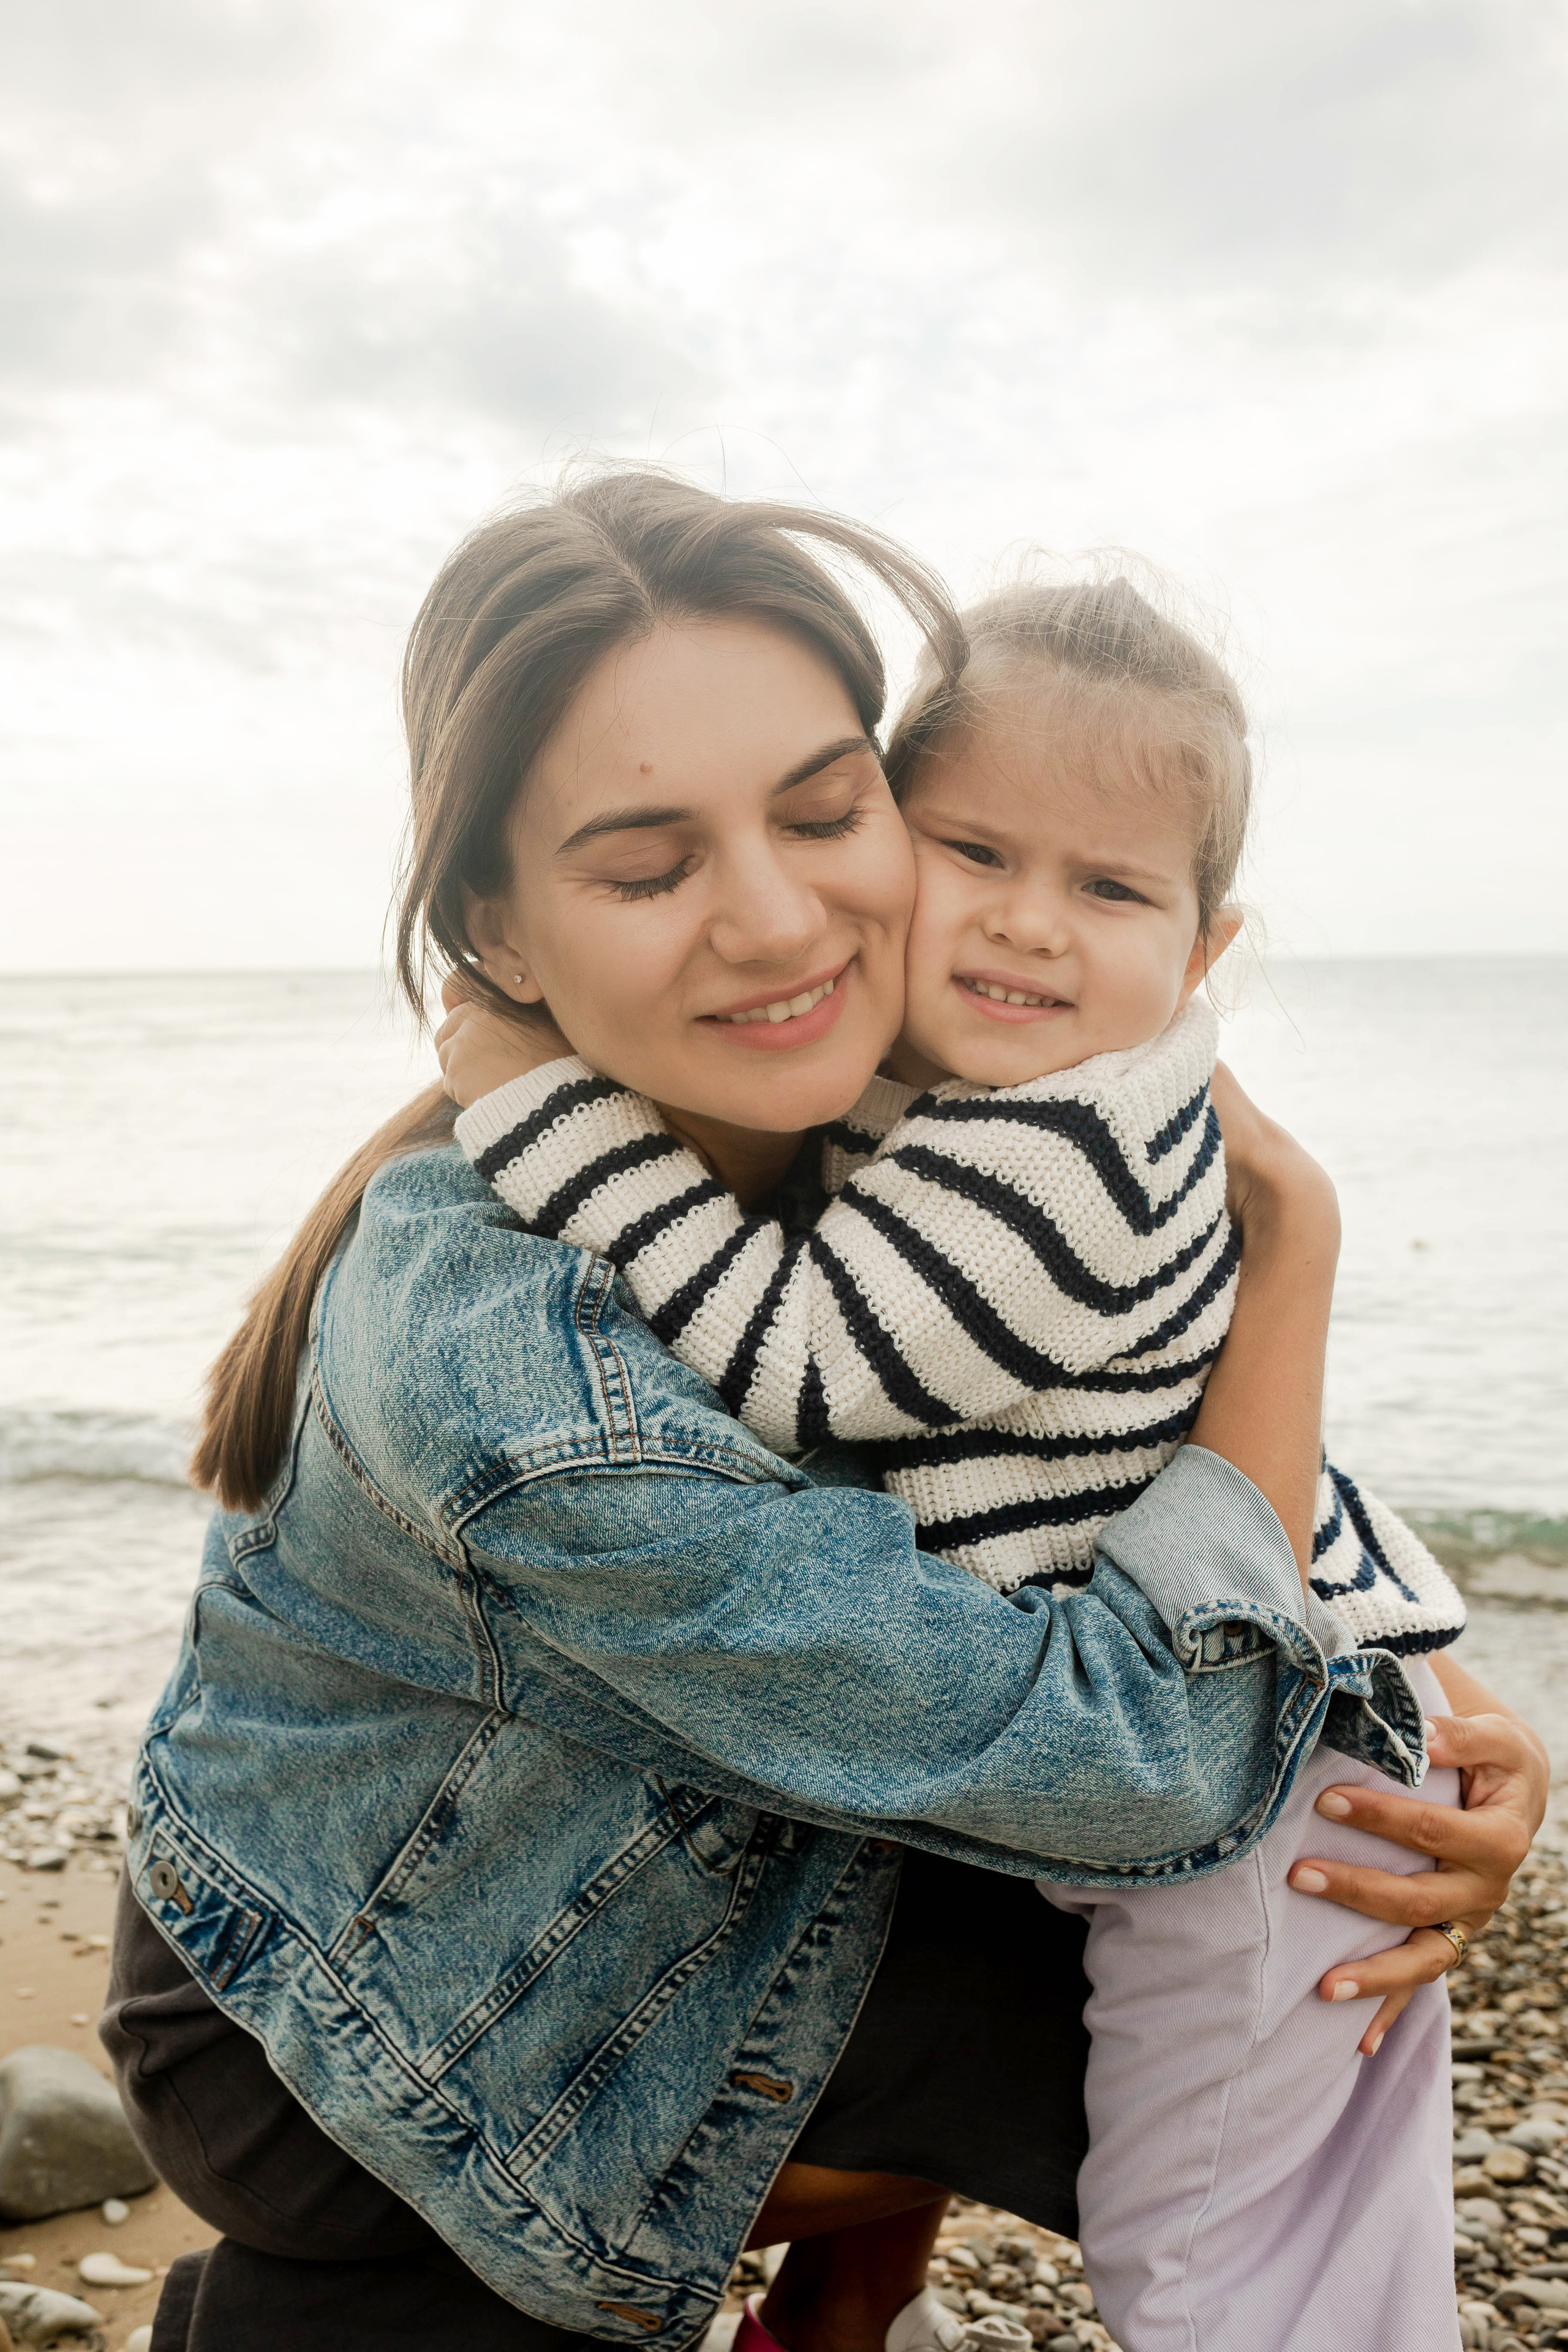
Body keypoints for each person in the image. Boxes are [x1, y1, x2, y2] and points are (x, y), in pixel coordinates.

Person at [102, 476, 1545, 2352]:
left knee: (1304, 1918)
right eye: (646, 865)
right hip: (359, 2016)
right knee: (1276, 1951)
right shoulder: (517, 1373)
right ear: (502, 931)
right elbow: (1157, 1762)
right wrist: (1302, 1244)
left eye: (821, 807)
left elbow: (1088, 1438)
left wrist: (1437, 1715)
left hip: (604, 1848)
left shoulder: (874, 1125)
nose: (782, 922)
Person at [435, 574, 1480, 2350]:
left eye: (1112, 887)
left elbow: (796, 1365)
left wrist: (528, 1102)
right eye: (975, 852)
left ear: (1205, 951)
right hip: (1164, 1734)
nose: (1030, 928)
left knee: (1234, 2263)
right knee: (1277, 2224)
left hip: (1241, 1805)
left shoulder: (1050, 1154)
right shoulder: (975, 1102)